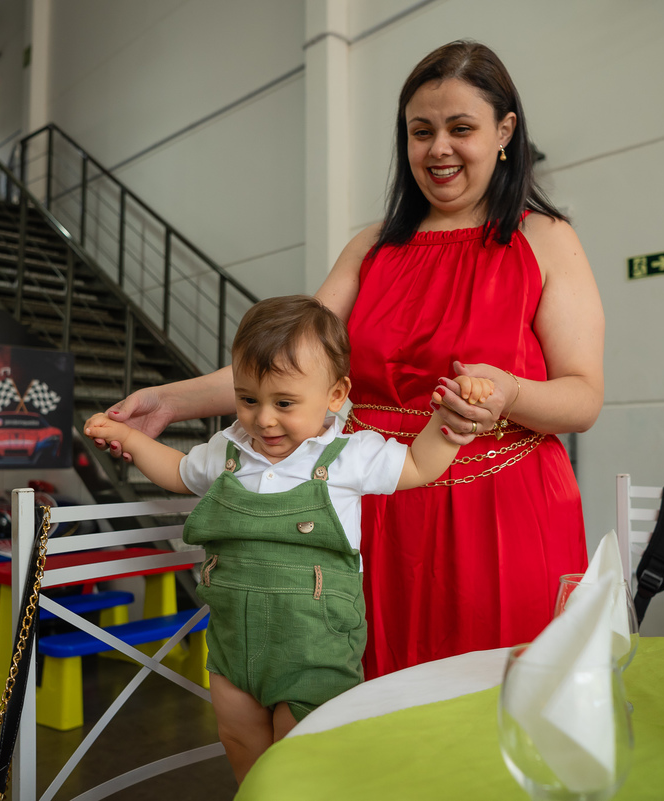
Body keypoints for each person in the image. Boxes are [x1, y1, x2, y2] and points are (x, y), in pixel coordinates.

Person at [92, 40, 604, 677]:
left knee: (497, 702)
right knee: (365, 697)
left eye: (461, 129)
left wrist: (511, 393)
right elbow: (288, 368)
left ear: (505, 132)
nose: (438, 149)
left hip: (500, 511)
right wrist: (170, 400)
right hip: (368, 502)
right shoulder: (373, 247)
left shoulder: (544, 239)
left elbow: (583, 397)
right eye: (421, 132)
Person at [84, 295, 490, 783]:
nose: (264, 419)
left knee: (303, 757)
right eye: (248, 399)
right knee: (238, 739)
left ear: (335, 395)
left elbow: (418, 465)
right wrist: (131, 441)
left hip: (315, 650)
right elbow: (177, 472)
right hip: (234, 646)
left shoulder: (348, 455)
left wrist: (449, 424)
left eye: (284, 403)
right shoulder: (229, 450)